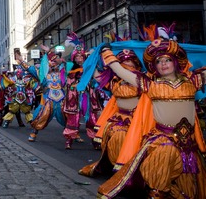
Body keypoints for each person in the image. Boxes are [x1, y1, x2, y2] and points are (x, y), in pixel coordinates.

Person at [97, 36, 206, 198]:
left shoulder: (192, 81)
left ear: (175, 61)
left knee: (189, 192)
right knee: (159, 178)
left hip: (188, 143)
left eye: (167, 60)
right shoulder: (150, 84)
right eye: (158, 61)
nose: (163, 64)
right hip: (163, 140)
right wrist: (106, 52)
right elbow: (120, 71)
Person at [79, 48, 143, 177]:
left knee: (126, 141)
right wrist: (92, 60)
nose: (127, 65)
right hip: (118, 118)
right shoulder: (116, 81)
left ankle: (128, 170)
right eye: (124, 62)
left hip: (136, 120)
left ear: (136, 64)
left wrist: (107, 54)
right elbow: (98, 77)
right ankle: (117, 168)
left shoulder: (140, 80)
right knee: (113, 140)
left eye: (130, 61)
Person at [27, 46, 67, 142]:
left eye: (55, 61)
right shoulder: (43, 74)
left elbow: (73, 70)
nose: (53, 63)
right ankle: (34, 132)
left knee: (67, 116)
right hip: (48, 99)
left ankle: (73, 133)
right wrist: (21, 61)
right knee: (42, 115)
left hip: (61, 99)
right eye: (51, 61)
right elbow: (30, 68)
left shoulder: (62, 72)